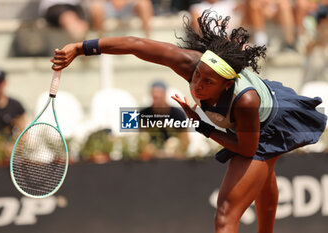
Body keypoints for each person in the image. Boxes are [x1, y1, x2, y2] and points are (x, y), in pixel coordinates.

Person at [51, 10, 327, 233]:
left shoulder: (246, 102)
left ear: (227, 83)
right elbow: (136, 45)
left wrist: (202, 126)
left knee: (225, 216)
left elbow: (245, 149)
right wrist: (81, 47)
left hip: (270, 121)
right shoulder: (191, 63)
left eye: (208, 82)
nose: (198, 85)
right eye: (198, 76)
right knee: (264, 178)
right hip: (252, 115)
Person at [140, 80, 189, 158]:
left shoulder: (178, 114)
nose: (157, 101)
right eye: (155, 97)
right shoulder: (143, 114)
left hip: (174, 156)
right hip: (151, 157)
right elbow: (141, 140)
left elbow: (185, 140)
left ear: (165, 95)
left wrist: (175, 152)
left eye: (159, 97)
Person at [89, 0, 153, 37]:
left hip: (127, 6)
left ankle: (148, 39)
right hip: (109, 6)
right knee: (96, 7)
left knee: (144, 4)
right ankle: (101, 43)